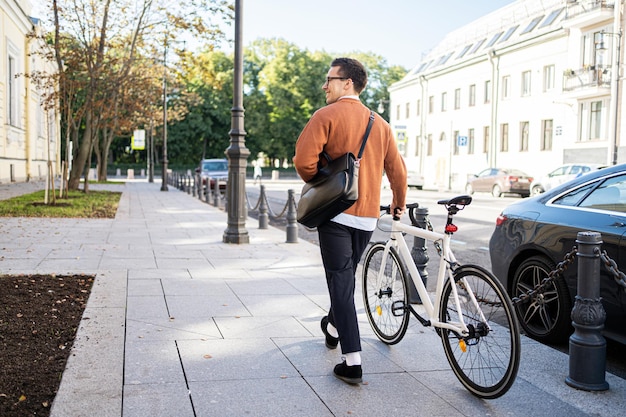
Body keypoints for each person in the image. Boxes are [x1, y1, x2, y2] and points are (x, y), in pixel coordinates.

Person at [293, 57, 407, 384]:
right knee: (345, 278)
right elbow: (397, 173)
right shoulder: (381, 124)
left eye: (330, 79)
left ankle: (352, 361)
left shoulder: (325, 116)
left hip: (336, 214)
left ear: (348, 83)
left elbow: (303, 162)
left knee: (341, 283)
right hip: (367, 217)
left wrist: (322, 182)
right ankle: (332, 325)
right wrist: (397, 205)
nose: (325, 85)